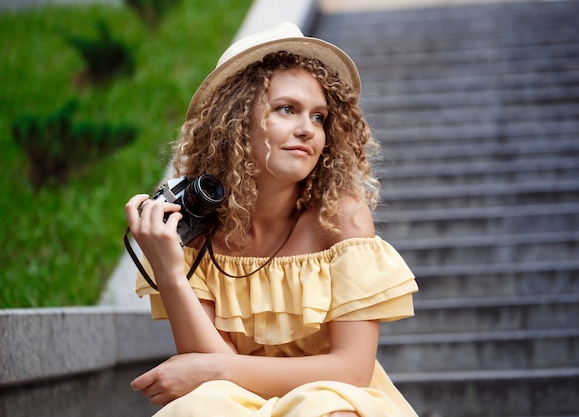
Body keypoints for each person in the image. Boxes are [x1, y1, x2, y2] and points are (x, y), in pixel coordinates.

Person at [125, 22, 419, 417]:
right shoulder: (199, 226)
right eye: (287, 109)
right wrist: (170, 273)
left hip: (329, 396)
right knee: (197, 409)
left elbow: (351, 371)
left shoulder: (340, 217)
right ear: (235, 121)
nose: (307, 130)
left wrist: (220, 366)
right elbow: (209, 379)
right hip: (235, 399)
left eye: (319, 117)